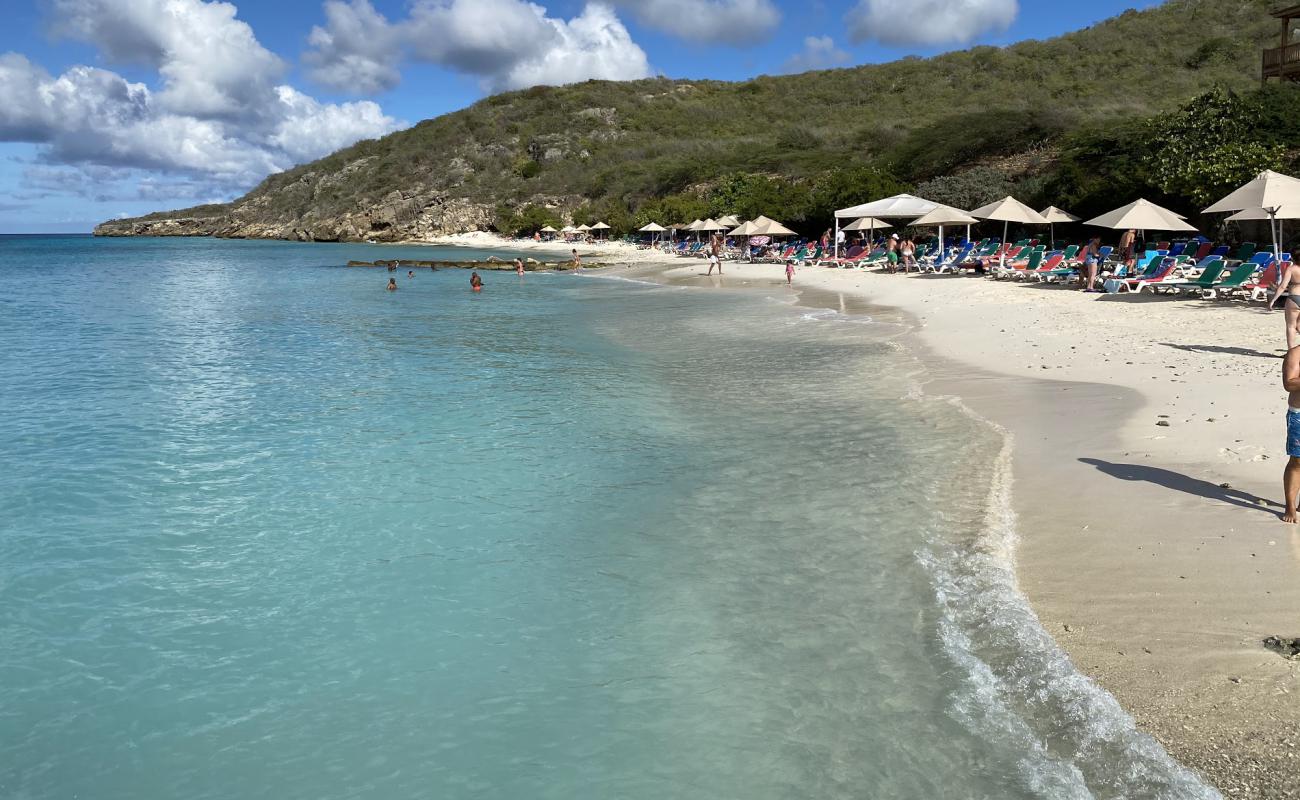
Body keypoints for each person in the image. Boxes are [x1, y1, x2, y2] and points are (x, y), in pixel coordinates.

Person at [1283, 346, 1300, 523]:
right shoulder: (1296, 354)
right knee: (1297, 461)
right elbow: (1289, 383)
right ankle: (1290, 505)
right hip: (1299, 414)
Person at [1270, 258, 1300, 349]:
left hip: (1294, 298)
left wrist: (1273, 300)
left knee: (1291, 326)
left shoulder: (1291, 269)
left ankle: (1291, 351)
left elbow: (1283, 286)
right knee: (1298, 325)